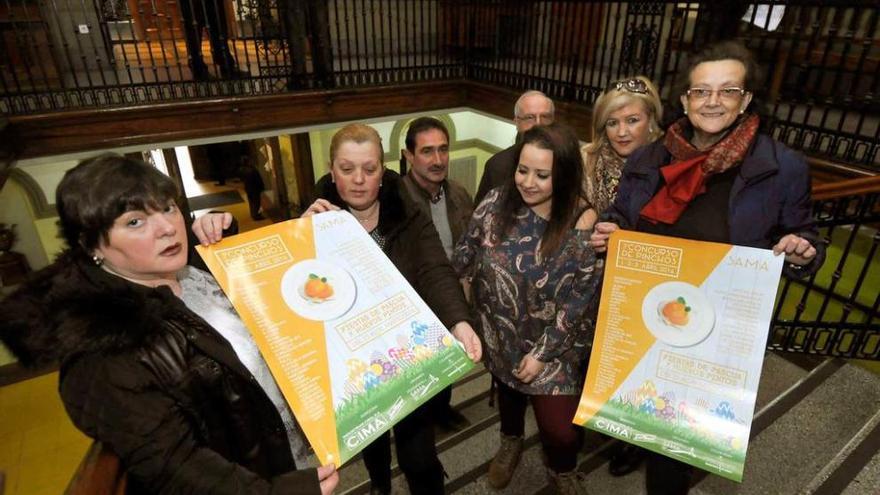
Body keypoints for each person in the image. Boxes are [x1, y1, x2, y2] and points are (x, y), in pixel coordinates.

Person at [0, 154, 337, 494]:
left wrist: (299, 239)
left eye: (167, 207)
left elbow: (272, 305)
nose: (167, 227)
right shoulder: (101, 354)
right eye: (135, 222)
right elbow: (175, 467)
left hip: (285, 453)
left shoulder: (190, 271)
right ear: (93, 245)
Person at [194, 124, 482, 495]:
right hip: (351, 365)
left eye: (369, 169)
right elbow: (268, 284)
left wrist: (459, 320)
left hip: (404, 354)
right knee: (372, 444)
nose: (359, 180)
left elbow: (434, 269)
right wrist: (230, 228)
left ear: (384, 170)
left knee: (419, 457)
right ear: (332, 171)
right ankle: (380, 485)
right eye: (347, 170)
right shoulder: (312, 217)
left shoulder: (408, 211)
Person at [590, 41, 825, 495]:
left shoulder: (783, 168)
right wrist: (609, 230)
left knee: (678, 444)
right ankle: (634, 445)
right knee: (642, 410)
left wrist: (802, 251)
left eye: (727, 90)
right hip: (650, 318)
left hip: (717, 332)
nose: (713, 101)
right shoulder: (648, 158)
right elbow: (623, 216)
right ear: (684, 101)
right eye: (701, 91)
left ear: (746, 99)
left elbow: (806, 236)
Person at [453, 123, 600, 495]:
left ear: (563, 175)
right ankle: (511, 440)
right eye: (522, 170)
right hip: (499, 332)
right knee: (509, 394)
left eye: (542, 174)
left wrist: (542, 354)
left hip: (554, 344)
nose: (528, 182)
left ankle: (563, 471)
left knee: (561, 432)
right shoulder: (493, 202)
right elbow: (464, 257)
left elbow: (579, 300)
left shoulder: (582, 220)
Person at [580, 75, 663, 477]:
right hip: (593, 276)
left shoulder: (670, 163)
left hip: (644, 281)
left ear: (652, 120)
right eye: (612, 122)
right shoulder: (588, 158)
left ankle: (633, 439)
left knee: (639, 364)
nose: (622, 131)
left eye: (632, 120)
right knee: (596, 355)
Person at [401, 116, 474, 432]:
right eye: (427, 151)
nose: (438, 159)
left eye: (443, 150)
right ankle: (421, 416)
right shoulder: (397, 200)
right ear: (408, 156)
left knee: (449, 360)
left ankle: (442, 409)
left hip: (451, 296)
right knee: (417, 368)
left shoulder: (458, 193)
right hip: (414, 301)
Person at [474, 90, 555, 204]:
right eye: (530, 117)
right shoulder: (497, 166)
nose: (538, 124)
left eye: (545, 117)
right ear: (517, 122)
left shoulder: (565, 160)